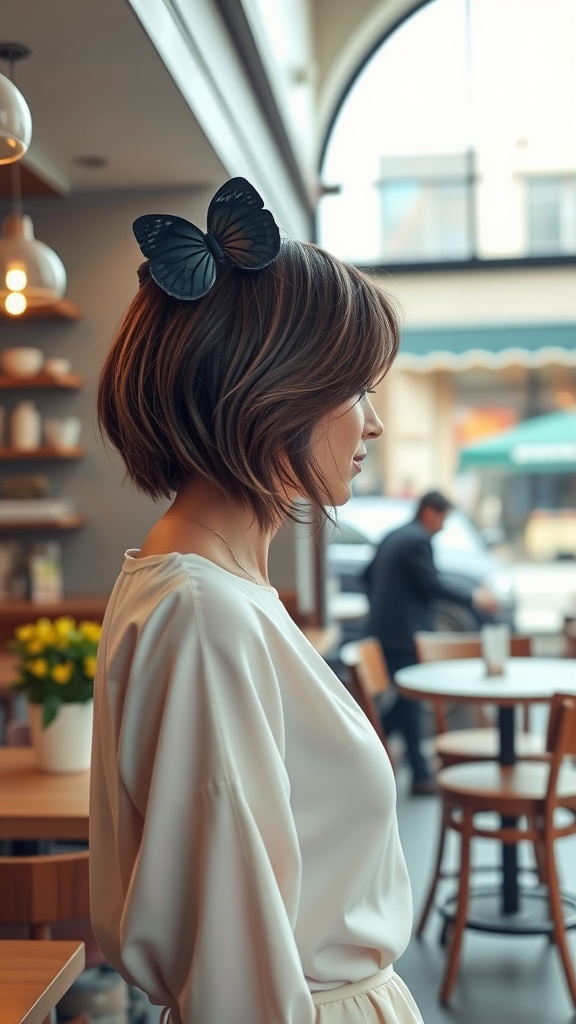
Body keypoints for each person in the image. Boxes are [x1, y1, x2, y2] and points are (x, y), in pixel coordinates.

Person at [89, 177, 424, 1024]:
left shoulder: (216, 589)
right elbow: (234, 973)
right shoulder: (204, 612)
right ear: (274, 390)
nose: (371, 425)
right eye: (354, 390)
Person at [364, 490, 498, 795]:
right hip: (404, 634)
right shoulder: (417, 541)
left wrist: (384, 607)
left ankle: (403, 761)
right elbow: (432, 584)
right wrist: (475, 597)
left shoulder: (392, 536)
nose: (443, 526)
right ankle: (378, 748)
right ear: (429, 513)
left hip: (383, 630)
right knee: (408, 699)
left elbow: (366, 576)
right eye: (443, 518)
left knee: (406, 700)